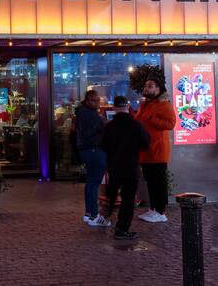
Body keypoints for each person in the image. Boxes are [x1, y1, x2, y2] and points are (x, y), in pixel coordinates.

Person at [101, 96, 150, 240]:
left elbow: (103, 145)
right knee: (128, 199)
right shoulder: (136, 125)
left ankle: (106, 216)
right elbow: (146, 144)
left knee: (111, 194)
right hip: (130, 167)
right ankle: (122, 228)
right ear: (128, 106)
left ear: (114, 108)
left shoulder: (109, 126)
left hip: (114, 167)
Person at [135, 75, 176, 224]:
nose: (147, 88)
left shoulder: (164, 104)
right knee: (151, 181)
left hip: (157, 150)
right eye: (146, 86)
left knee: (158, 182)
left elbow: (171, 124)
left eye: (150, 85)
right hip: (146, 150)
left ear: (159, 89)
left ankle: (160, 211)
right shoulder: (146, 104)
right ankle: (154, 209)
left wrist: (150, 119)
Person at [75, 90, 110, 227]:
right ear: (88, 100)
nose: (98, 103)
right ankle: (94, 215)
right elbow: (98, 129)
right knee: (94, 183)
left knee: (90, 183)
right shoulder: (91, 115)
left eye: (98, 100)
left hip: (86, 150)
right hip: (94, 149)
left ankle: (89, 214)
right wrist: (103, 122)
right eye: (95, 100)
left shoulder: (82, 112)